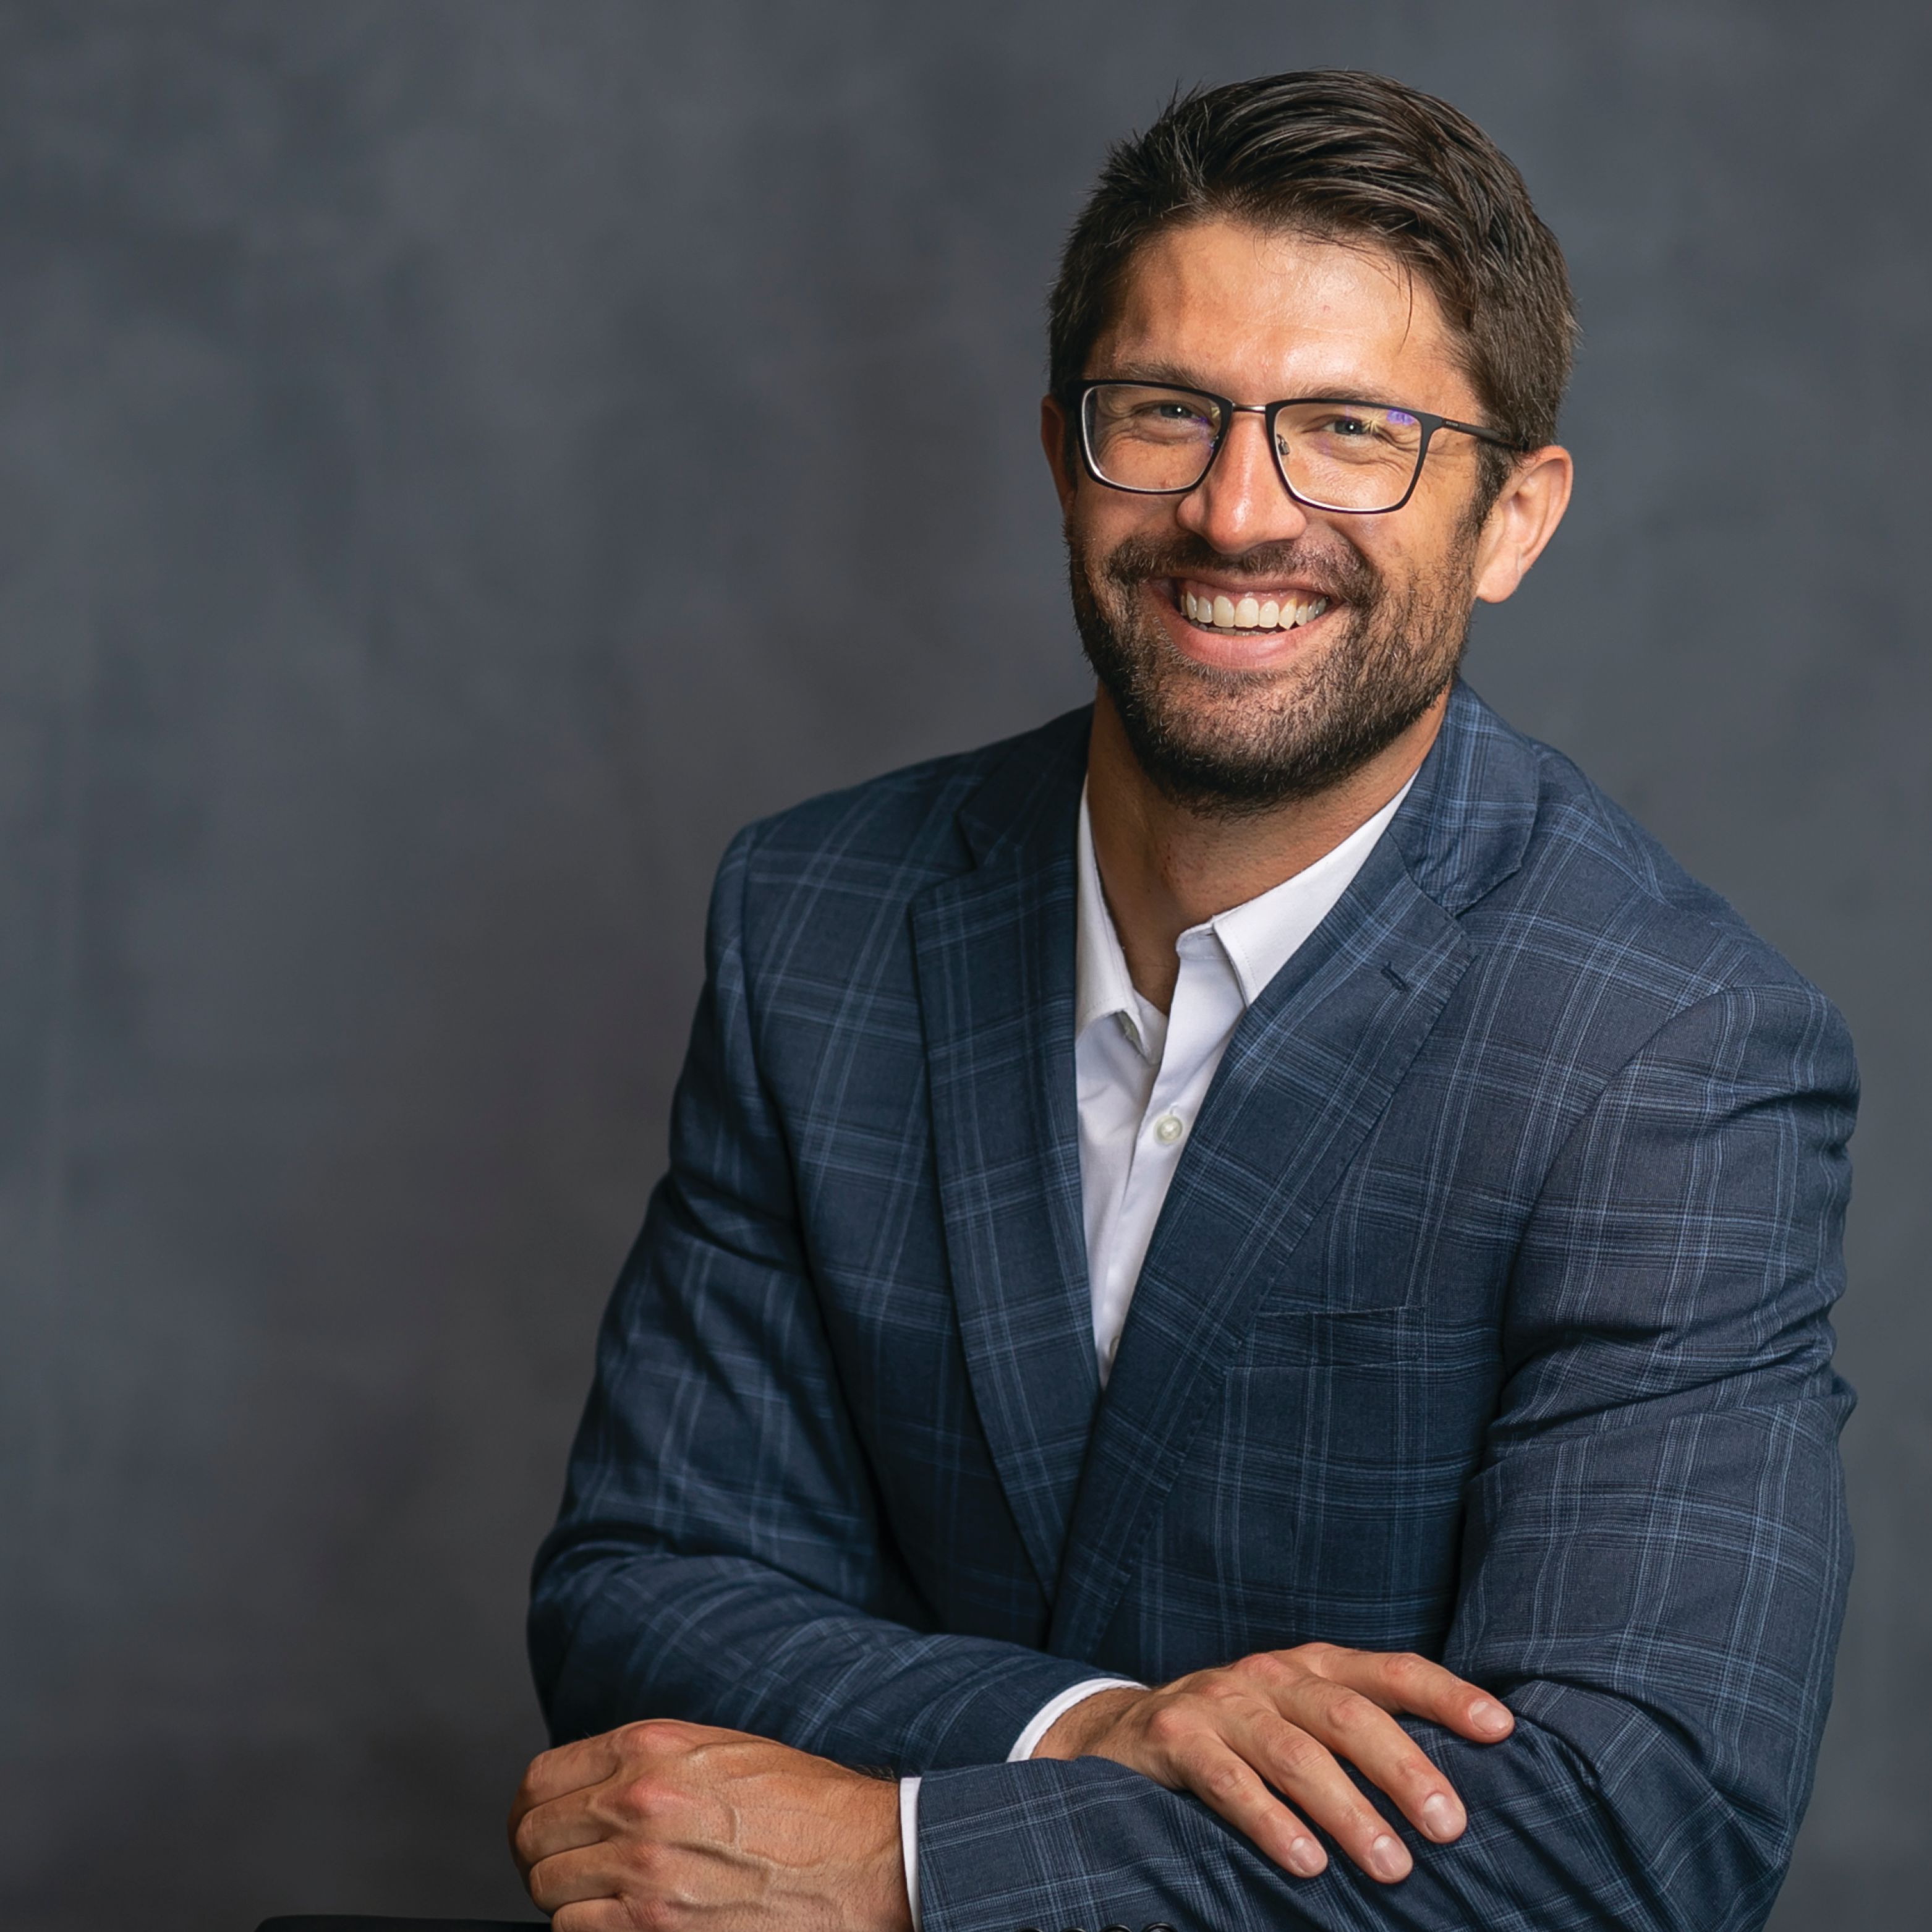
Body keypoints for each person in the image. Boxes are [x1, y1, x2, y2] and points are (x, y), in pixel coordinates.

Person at [508, 70, 1855, 1932]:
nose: (1239, 512)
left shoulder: (1668, 1050)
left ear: (1513, 519)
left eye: (1353, 432)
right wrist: (1088, 1731)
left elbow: (1632, 1837)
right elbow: (645, 1589)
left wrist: (910, 1863)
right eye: (1169, 415)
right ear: (1068, 456)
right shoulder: (815, 920)